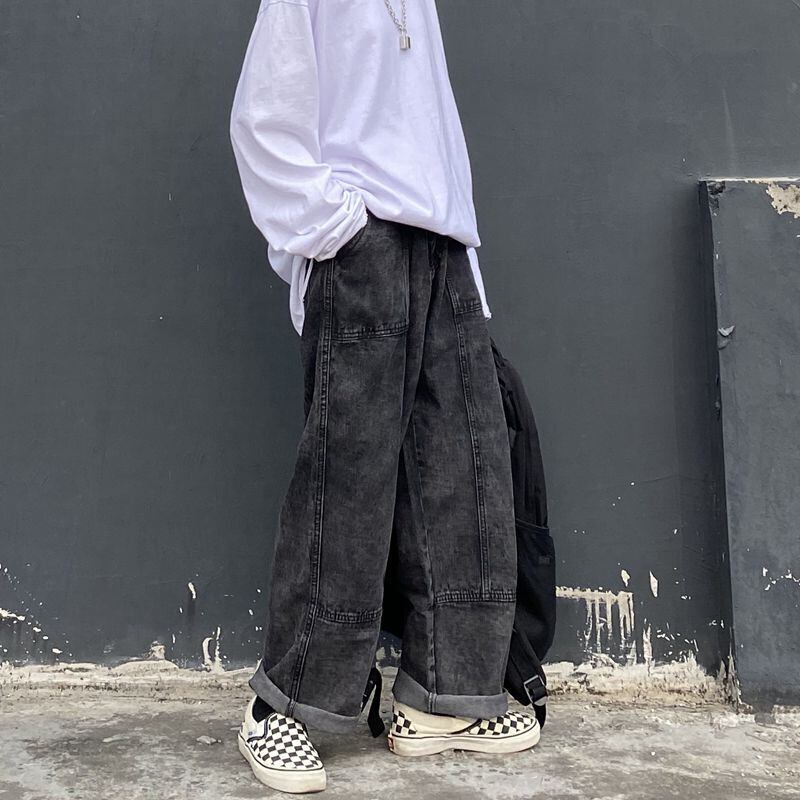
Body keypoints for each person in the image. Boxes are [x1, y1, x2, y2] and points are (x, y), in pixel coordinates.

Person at [229, 0, 539, 792]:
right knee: (348, 476)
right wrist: (338, 230)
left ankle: (439, 698)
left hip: (440, 247)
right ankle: (283, 706)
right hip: (364, 248)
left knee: (462, 473)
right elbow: (263, 116)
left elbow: (431, 129)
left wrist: (460, 252)